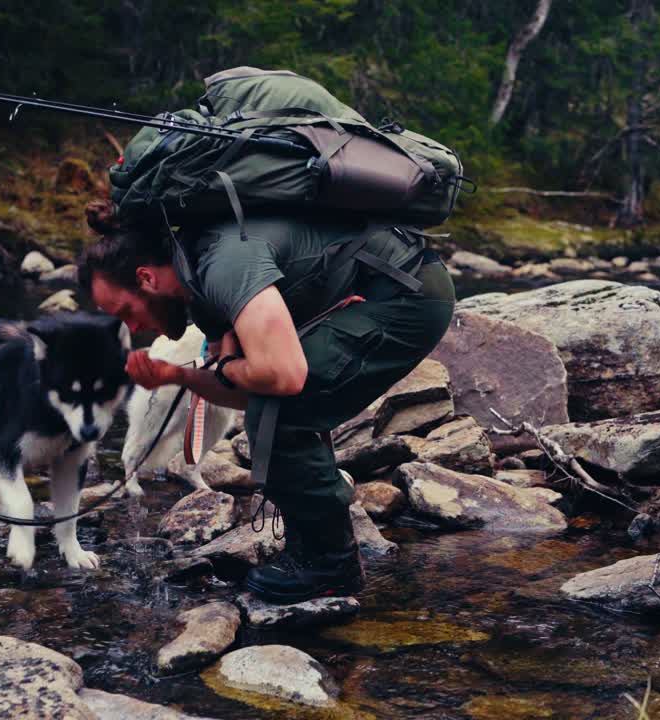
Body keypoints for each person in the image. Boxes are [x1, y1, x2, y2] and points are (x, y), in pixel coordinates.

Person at [77, 201, 455, 602]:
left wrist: (225, 370)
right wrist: (179, 376)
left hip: (408, 294)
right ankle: (311, 546)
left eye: (125, 312)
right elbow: (245, 392)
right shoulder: (202, 291)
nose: (132, 328)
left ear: (146, 278)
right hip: (379, 287)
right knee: (270, 410)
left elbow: (283, 377)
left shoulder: (225, 266)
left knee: (281, 415)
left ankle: (330, 564)